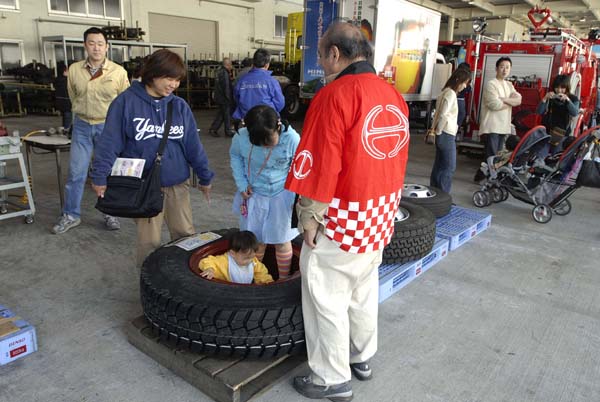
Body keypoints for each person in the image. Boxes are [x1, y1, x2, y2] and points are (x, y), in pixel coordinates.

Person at [285, 22, 410, 401]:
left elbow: (321, 162)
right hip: (380, 214)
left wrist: (309, 216)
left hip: (340, 217)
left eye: (321, 54)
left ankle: (330, 378)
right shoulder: (392, 94)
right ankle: (361, 357)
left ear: (335, 54)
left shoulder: (335, 94)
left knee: (326, 296)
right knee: (362, 290)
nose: (320, 62)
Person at [90, 49, 214, 267]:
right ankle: (150, 289)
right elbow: (109, 143)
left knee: (185, 236)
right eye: (168, 78)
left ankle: (185, 284)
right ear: (152, 74)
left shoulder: (179, 106)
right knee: (149, 242)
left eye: (177, 79)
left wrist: (205, 176)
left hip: (177, 184)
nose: (173, 84)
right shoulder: (125, 103)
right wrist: (99, 176)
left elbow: (193, 146)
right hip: (144, 186)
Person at [52, 27, 130, 234]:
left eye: (100, 43)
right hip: (82, 126)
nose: (96, 47)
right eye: (91, 43)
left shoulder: (118, 72)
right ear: (85, 45)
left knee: (108, 173)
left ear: (107, 46)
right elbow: (73, 96)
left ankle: (109, 212)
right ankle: (71, 215)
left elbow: (126, 103)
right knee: (76, 173)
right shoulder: (75, 70)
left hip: (108, 128)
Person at [230, 105, 300, 280]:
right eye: (259, 143)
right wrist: (242, 183)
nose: (265, 146)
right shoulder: (241, 136)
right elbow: (235, 157)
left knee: (282, 241)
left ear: (277, 127)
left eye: (269, 141)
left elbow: (300, 166)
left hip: (282, 194)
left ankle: (282, 280)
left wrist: (297, 193)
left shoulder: (291, 138)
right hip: (253, 193)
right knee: (256, 241)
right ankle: (256, 278)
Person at [429, 68, 471, 193]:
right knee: (449, 166)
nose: (465, 86)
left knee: (439, 164)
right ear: (458, 80)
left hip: (442, 133)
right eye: (464, 82)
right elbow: (443, 115)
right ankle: (443, 195)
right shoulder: (451, 94)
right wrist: (439, 131)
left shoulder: (444, 92)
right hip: (446, 133)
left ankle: (434, 192)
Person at [479, 57, 522, 159]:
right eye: (502, 67)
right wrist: (511, 103)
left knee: (497, 158)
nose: (505, 70)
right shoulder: (491, 84)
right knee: (491, 158)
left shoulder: (509, 85)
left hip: (503, 127)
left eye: (507, 67)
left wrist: (503, 99)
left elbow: (519, 100)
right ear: (496, 68)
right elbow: (495, 105)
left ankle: (487, 175)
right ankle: (485, 175)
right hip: (492, 128)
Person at [197, 230, 274, 284]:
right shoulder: (224, 261)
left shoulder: (253, 262)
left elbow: (261, 273)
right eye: (246, 258)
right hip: (225, 291)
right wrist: (210, 269)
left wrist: (267, 282)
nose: (250, 261)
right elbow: (207, 261)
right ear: (232, 253)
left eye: (252, 257)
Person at [232, 48, 285, 121]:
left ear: (253, 63)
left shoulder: (242, 80)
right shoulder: (272, 81)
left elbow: (236, 99)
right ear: (267, 65)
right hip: (267, 121)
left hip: (247, 120)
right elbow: (280, 103)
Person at [536, 74, 580, 152]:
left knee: (555, 157)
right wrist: (545, 98)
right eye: (557, 87)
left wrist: (568, 100)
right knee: (541, 155)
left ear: (567, 87)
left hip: (562, 134)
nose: (559, 90)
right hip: (547, 132)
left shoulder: (573, 98)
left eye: (562, 88)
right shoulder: (551, 96)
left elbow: (575, 113)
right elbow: (539, 112)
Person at [208, 58, 235, 138]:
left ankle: (213, 129)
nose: (231, 67)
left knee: (222, 114)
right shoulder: (224, 73)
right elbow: (226, 87)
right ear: (228, 65)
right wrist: (229, 98)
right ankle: (228, 131)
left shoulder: (219, 71)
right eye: (231, 65)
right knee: (227, 115)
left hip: (219, 96)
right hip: (224, 98)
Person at [53, 61, 72, 133]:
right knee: (68, 116)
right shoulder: (66, 80)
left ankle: (64, 129)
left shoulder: (57, 80)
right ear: (64, 71)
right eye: (67, 70)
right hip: (66, 101)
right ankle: (67, 130)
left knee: (65, 116)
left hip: (59, 101)